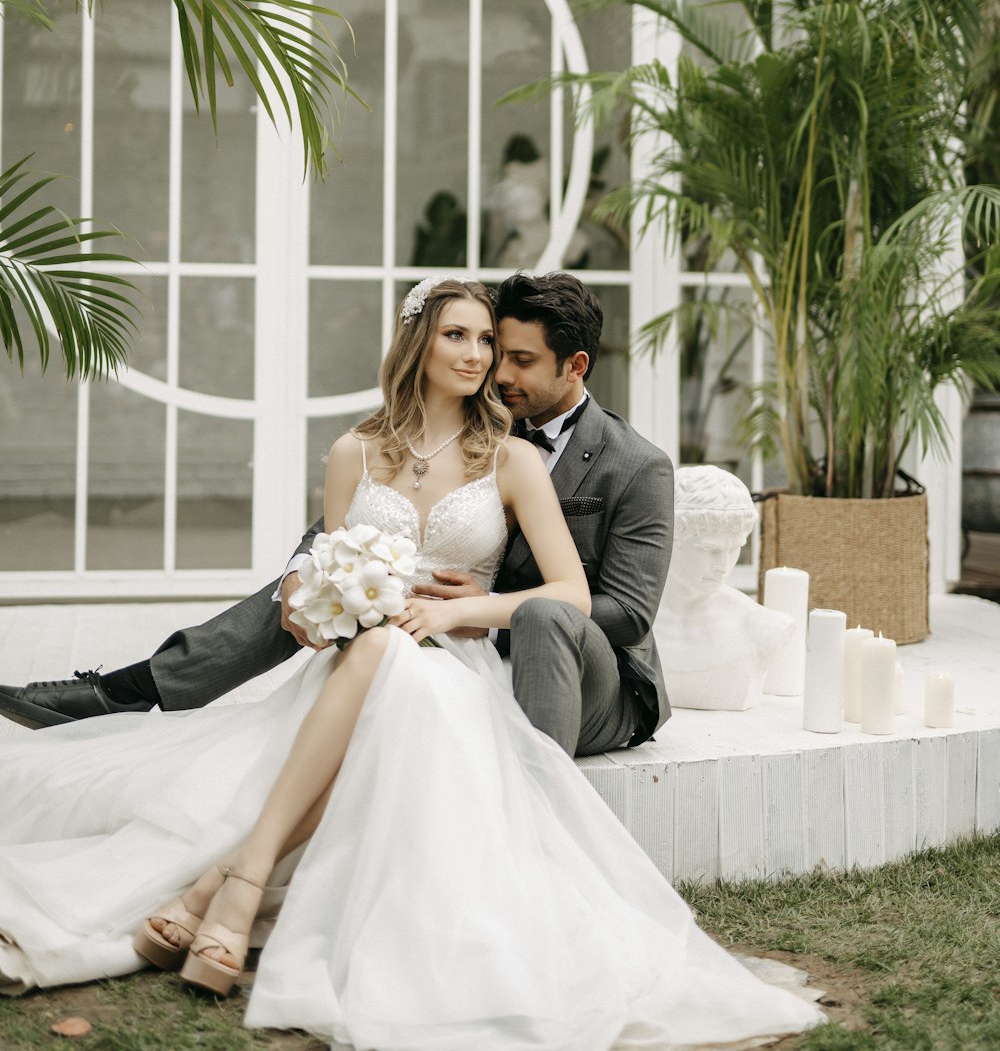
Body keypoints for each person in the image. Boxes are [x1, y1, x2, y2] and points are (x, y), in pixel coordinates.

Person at [0, 277, 824, 1047]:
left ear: (570, 366)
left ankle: (230, 876)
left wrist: (462, 607)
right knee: (367, 643)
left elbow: (602, 605)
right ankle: (178, 768)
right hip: (369, 656)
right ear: (420, 345)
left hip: (519, 659)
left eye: (500, 350)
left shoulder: (565, 459)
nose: (485, 361)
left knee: (396, 656)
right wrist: (314, 594)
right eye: (465, 340)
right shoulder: (355, 451)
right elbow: (325, 554)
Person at [0, 272, 672, 760]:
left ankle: (536, 796)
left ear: (575, 365)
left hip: (581, 670)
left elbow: (628, 614)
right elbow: (351, 524)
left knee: (529, 612)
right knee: (326, 578)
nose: (493, 369)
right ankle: (129, 691)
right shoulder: (473, 428)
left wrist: (485, 604)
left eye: (514, 358)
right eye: (491, 349)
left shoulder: (632, 464)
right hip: (433, 630)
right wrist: (306, 575)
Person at [659, 465, 795, 710]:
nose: (723, 566)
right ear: (669, 539)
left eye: (734, 549)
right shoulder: (632, 619)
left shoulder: (763, 627)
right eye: (709, 550)